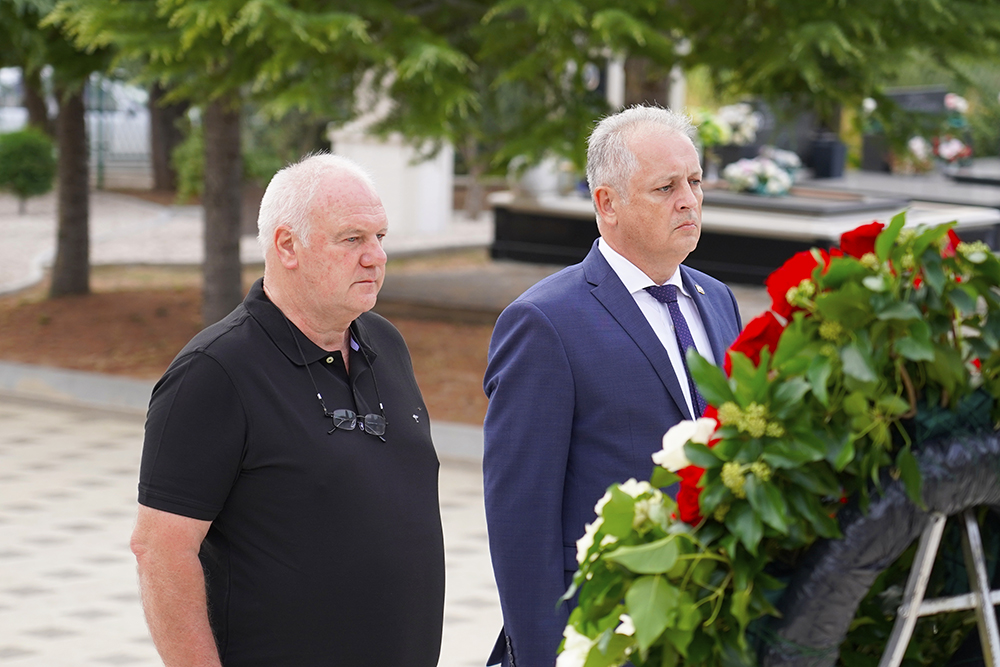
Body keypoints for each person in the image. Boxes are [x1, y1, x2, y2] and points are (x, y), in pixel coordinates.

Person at [131, 153, 445, 666]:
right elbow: (161, 551)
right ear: (286, 246)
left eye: (380, 237)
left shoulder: (386, 343)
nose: (375, 257)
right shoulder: (214, 372)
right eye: (352, 239)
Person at [483, 105, 743, 667]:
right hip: (604, 633)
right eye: (666, 187)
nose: (689, 200)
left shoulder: (718, 299)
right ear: (607, 203)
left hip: (709, 627)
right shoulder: (545, 322)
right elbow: (520, 520)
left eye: (695, 181)